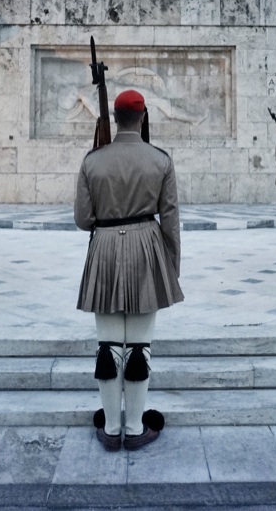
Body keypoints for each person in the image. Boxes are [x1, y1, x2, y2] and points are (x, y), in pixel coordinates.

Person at [74, 89, 181, 452]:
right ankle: (135, 429)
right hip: (146, 247)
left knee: (108, 346)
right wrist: (171, 267)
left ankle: (110, 425)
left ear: (114, 118)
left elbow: (82, 219)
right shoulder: (161, 160)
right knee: (138, 346)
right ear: (144, 117)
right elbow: (171, 222)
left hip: (104, 246)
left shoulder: (92, 161)